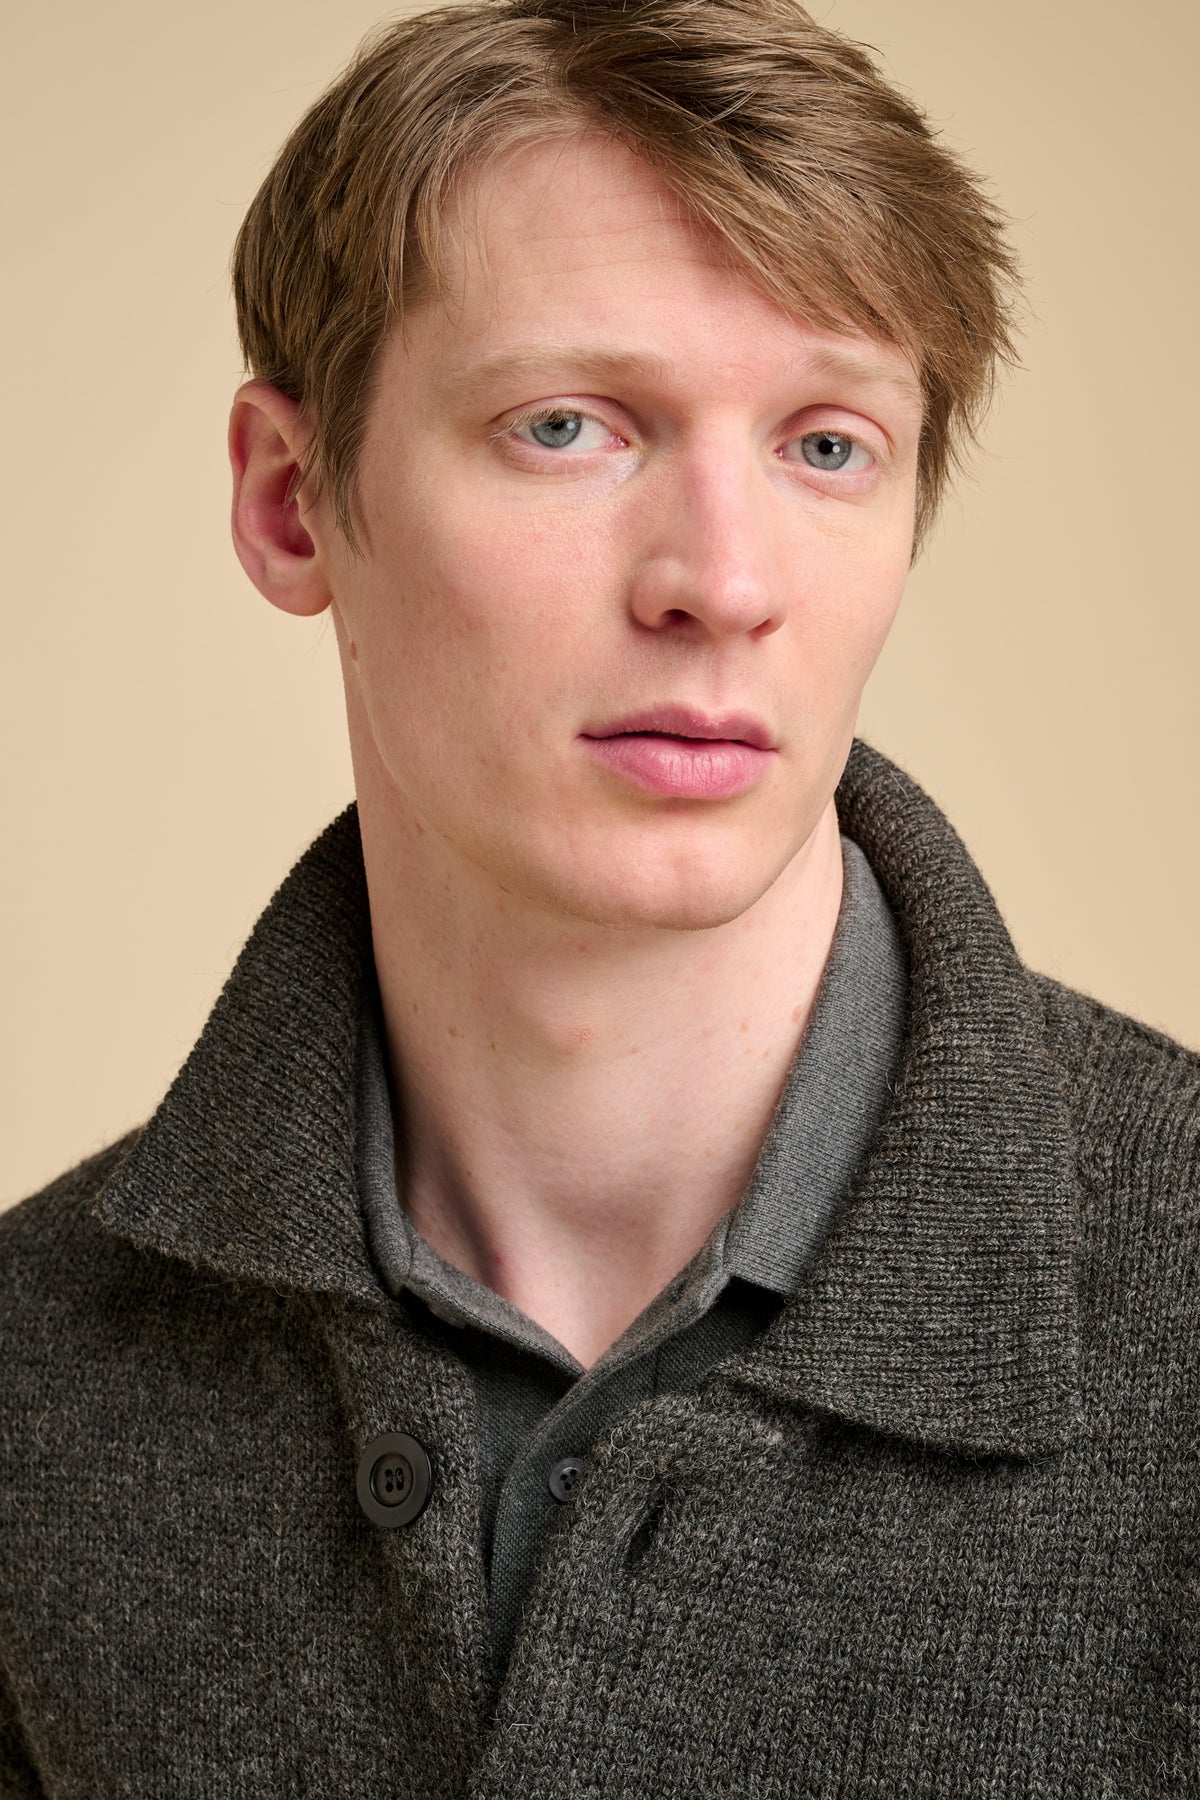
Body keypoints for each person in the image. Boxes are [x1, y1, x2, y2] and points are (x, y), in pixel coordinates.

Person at [2, 0, 1196, 1791]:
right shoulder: (30, 1385)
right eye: (569, 425)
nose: (723, 583)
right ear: (289, 500)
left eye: (826, 444)